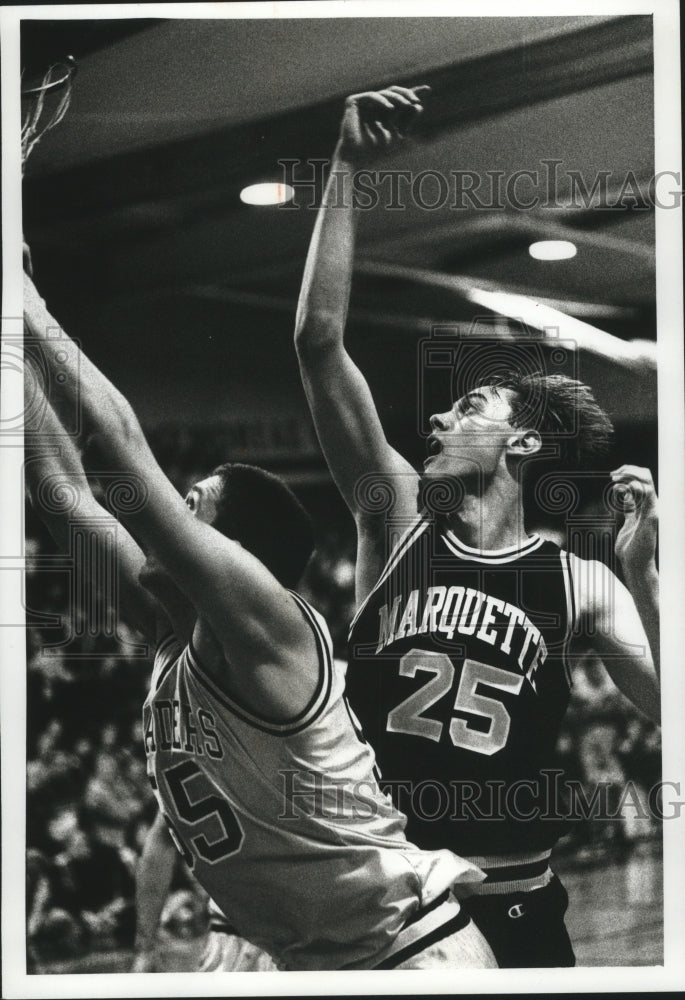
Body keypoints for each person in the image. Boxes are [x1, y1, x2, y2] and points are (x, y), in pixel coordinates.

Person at [23, 269, 496, 971]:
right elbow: (61, 492)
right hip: (308, 960)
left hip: (408, 953)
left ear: (234, 555)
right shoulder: (171, 634)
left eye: (198, 500)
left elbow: (118, 438)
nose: (177, 511)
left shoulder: (269, 625)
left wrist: (25, 300)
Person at [293, 84, 660, 967]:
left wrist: (645, 579)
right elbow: (317, 340)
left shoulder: (581, 581)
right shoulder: (395, 520)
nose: (435, 423)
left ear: (523, 440)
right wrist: (344, 165)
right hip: (399, 911)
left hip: (521, 907)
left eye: (466, 407)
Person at [132, 811, 277, 972]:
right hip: (240, 929)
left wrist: (145, 948)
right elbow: (163, 835)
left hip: (274, 926)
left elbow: (162, 836)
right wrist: (145, 947)